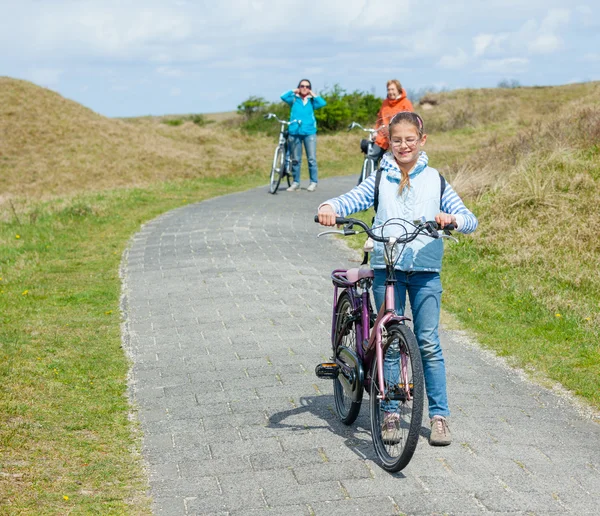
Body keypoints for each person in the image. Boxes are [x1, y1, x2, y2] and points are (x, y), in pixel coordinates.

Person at [317, 111, 478, 446]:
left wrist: (452, 220)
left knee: (429, 344)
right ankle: (389, 411)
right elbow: (354, 198)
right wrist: (330, 205)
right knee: (389, 341)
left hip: (425, 270)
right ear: (388, 142)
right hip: (387, 269)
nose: (403, 146)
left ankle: (439, 416)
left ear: (422, 140)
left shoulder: (436, 180)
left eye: (410, 139)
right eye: (397, 140)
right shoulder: (380, 177)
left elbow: (469, 218)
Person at [280, 79, 327, 192]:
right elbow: (283, 96)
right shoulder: (294, 99)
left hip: (309, 133)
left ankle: (313, 182)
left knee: (311, 159)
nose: (304, 88)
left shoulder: (312, 101)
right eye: (302, 86)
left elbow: (322, 103)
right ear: (299, 87)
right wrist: (293, 90)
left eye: (307, 86)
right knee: (296, 159)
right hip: (295, 132)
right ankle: (296, 182)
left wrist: (312, 94)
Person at [369, 79, 414, 164]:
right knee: (371, 157)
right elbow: (379, 119)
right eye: (388, 89)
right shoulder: (385, 103)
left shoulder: (406, 103)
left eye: (392, 89)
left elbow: (410, 123)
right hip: (382, 137)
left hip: (398, 138)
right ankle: (368, 177)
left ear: (398, 90)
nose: (390, 92)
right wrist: (375, 131)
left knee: (395, 162)